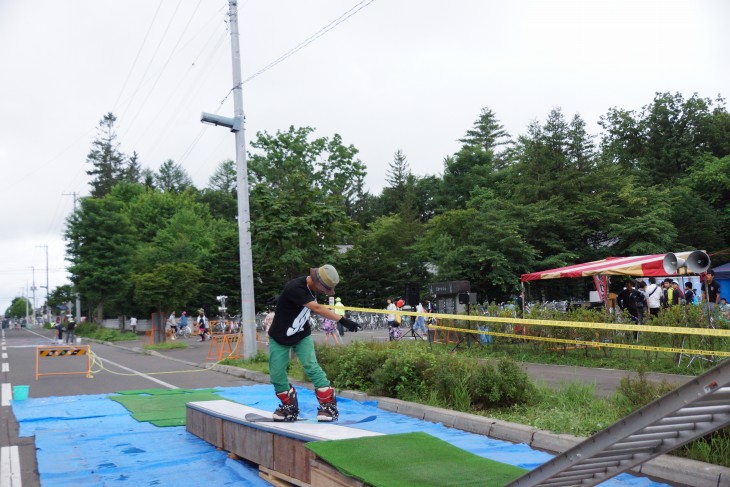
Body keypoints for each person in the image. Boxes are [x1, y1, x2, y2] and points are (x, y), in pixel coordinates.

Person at [267, 264, 361, 422]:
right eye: (324, 289)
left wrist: (282, 299)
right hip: (279, 336)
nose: (324, 292)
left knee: (311, 366)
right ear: (318, 283)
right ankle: (289, 406)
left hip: (302, 334)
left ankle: (328, 405)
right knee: (276, 373)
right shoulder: (295, 287)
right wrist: (343, 320)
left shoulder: (310, 288)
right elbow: (316, 308)